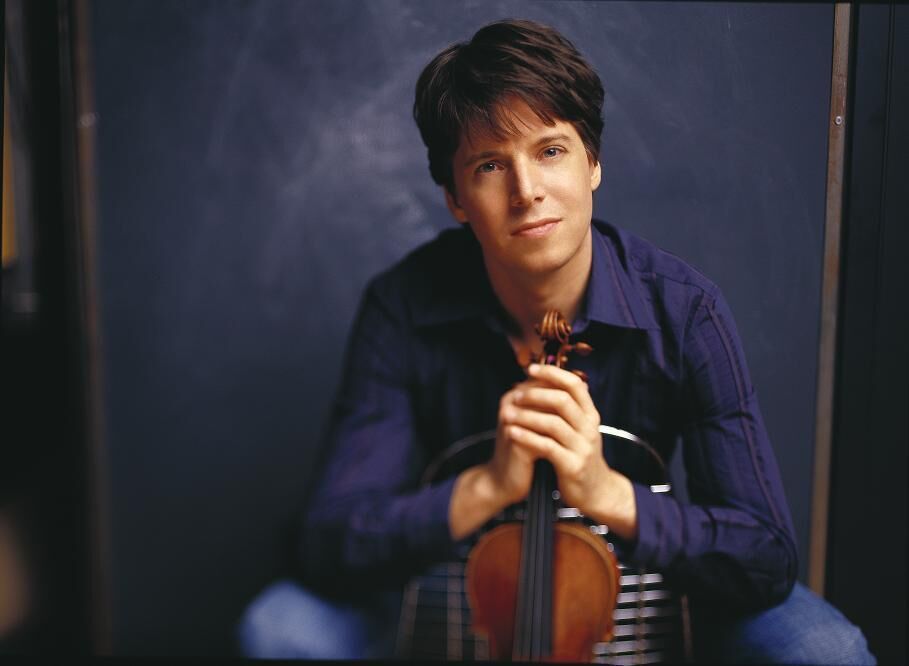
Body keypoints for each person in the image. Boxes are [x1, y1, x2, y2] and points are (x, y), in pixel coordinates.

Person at [239, 19, 874, 663]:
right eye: (490, 165)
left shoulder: (686, 311)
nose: (527, 192)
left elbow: (764, 555)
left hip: (646, 589)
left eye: (550, 151)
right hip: (455, 593)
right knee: (283, 630)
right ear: (455, 198)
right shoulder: (403, 307)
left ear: (593, 162)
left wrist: (607, 492)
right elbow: (326, 543)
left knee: (827, 651)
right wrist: (487, 485)